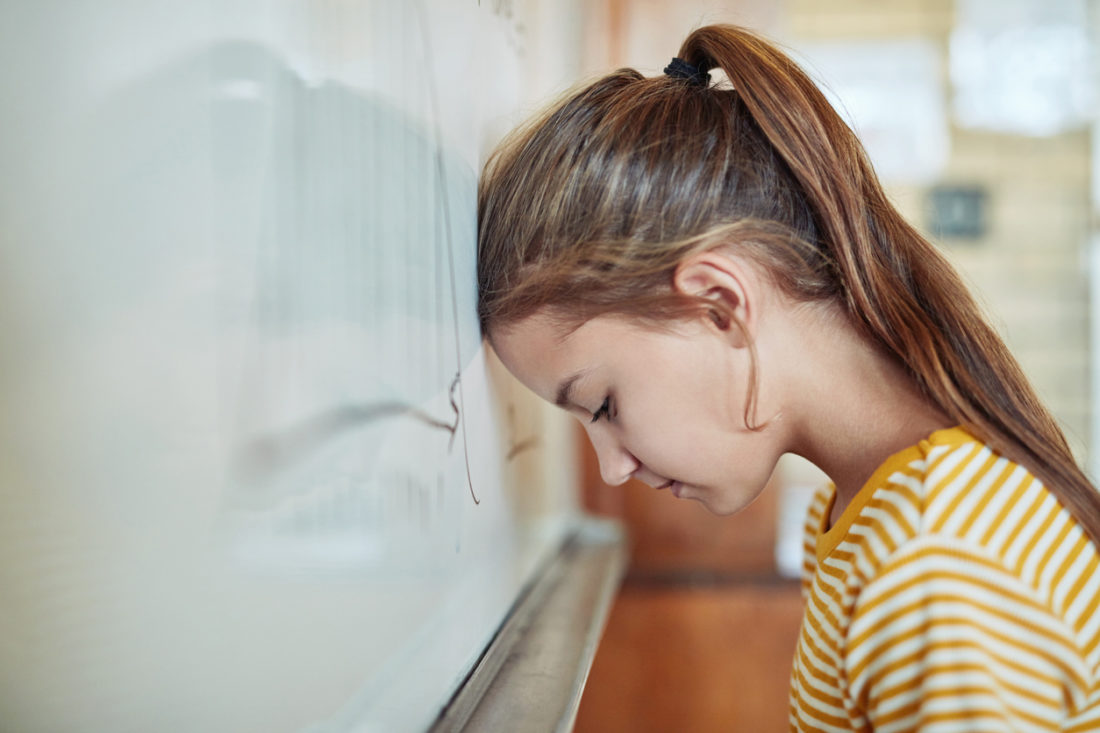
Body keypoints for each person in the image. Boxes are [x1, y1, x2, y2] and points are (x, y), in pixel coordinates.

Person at [477, 23, 1100, 732]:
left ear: (721, 305)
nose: (613, 467)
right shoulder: (868, 517)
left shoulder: (936, 566)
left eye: (603, 404)